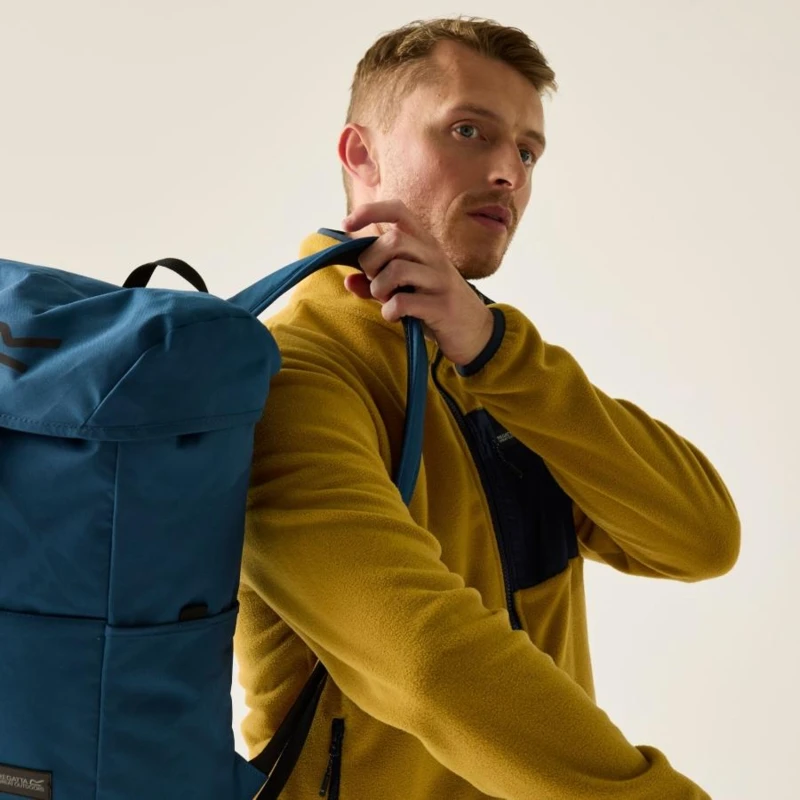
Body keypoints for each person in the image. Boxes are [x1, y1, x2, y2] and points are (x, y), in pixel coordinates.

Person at [234, 15, 740, 799]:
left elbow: (700, 538)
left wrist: (496, 351)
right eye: (468, 130)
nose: (509, 172)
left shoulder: (489, 363)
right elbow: (428, 661)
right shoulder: (294, 374)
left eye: (528, 152)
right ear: (360, 154)